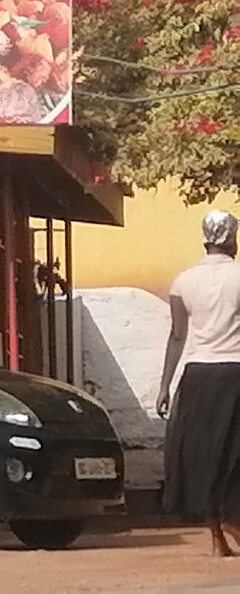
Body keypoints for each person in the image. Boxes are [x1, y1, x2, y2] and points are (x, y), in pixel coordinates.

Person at [158, 209, 240, 556]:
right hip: (235, 373)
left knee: (204, 458)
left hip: (197, 376)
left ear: (205, 238)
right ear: (233, 238)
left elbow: (178, 336)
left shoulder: (183, 281)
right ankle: (233, 522)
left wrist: (164, 386)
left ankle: (216, 538)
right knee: (235, 456)